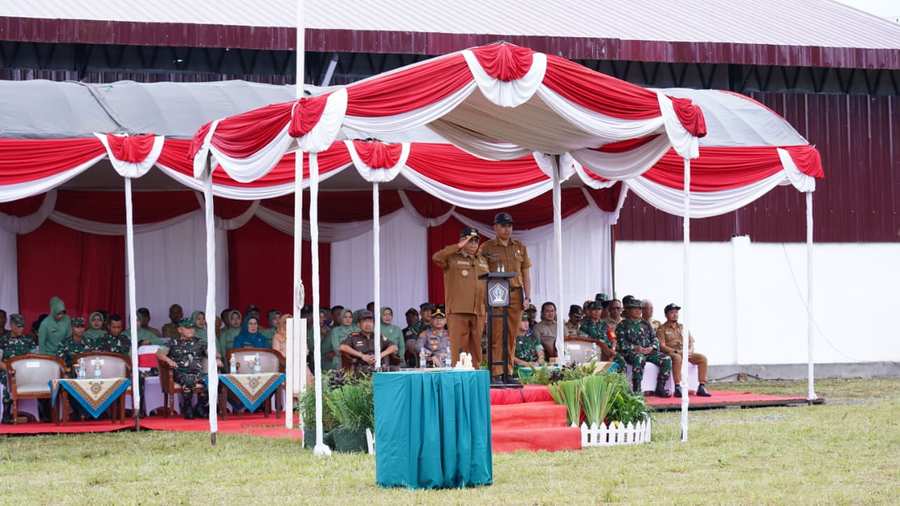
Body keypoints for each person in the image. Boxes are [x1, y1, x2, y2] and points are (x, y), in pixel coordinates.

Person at [479, 212, 532, 384]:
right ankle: (495, 372)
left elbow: (526, 273)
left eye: (509, 225)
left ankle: (508, 372)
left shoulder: (519, 246)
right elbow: (480, 273)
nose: (506, 229)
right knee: (496, 334)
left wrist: (528, 296)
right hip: (496, 292)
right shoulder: (487, 247)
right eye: (503, 225)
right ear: (495, 227)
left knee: (511, 335)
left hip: (516, 293)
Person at [432, 226, 489, 367]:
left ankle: (475, 377)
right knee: (459, 349)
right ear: (462, 240)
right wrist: (458, 246)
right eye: (470, 241)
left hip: (479, 310)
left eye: (476, 241)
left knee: (476, 348)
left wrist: (487, 309)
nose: (474, 244)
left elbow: (487, 285)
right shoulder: (452, 258)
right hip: (458, 310)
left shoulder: (482, 260)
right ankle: (458, 378)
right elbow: (436, 258)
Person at [156, 318, 214, 419]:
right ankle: (187, 407)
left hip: (198, 372)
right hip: (180, 372)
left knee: (212, 380)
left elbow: (212, 353)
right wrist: (169, 360)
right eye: (187, 328)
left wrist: (215, 358)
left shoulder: (200, 342)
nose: (191, 330)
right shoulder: (173, 342)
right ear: (180, 330)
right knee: (189, 379)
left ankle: (200, 407)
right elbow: (159, 354)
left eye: (192, 328)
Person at [616, 296, 672, 397]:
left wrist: (652, 347)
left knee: (666, 359)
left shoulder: (645, 324)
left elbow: (655, 339)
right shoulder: (622, 325)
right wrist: (635, 348)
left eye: (640, 308)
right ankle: (637, 389)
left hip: (648, 352)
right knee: (639, 358)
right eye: (635, 308)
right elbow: (621, 344)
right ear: (628, 310)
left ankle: (660, 387)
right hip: (631, 353)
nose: (638, 311)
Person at [658, 303, 711, 397]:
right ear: (666, 315)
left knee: (702, 358)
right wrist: (677, 351)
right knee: (677, 357)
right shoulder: (662, 329)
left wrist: (690, 350)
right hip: (672, 352)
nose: (675, 314)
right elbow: (662, 346)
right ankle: (678, 386)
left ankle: (701, 386)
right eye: (672, 312)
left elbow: (691, 342)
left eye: (676, 312)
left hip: (685, 352)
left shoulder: (683, 327)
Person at [338, 310, 397, 374]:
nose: (368, 324)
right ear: (358, 324)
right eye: (365, 321)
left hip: (379, 370)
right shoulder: (354, 337)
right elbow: (342, 347)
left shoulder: (378, 336)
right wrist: (362, 356)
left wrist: (379, 356)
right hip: (361, 371)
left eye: (370, 321)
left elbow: (394, 347)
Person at [0, 314, 35, 422]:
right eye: (18, 326)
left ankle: (41, 412)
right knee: (6, 378)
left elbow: (34, 359)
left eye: (22, 326)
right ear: (11, 325)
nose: (21, 329)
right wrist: (9, 370)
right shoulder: (3, 340)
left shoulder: (28, 340)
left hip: (27, 371)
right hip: (8, 371)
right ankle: (6, 411)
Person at [580, 301, 624, 371]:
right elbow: (584, 340)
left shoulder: (605, 324)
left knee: (621, 360)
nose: (597, 312)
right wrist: (602, 346)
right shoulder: (584, 326)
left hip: (609, 351)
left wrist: (612, 349)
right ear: (589, 311)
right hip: (594, 351)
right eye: (594, 309)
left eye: (599, 309)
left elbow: (613, 339)